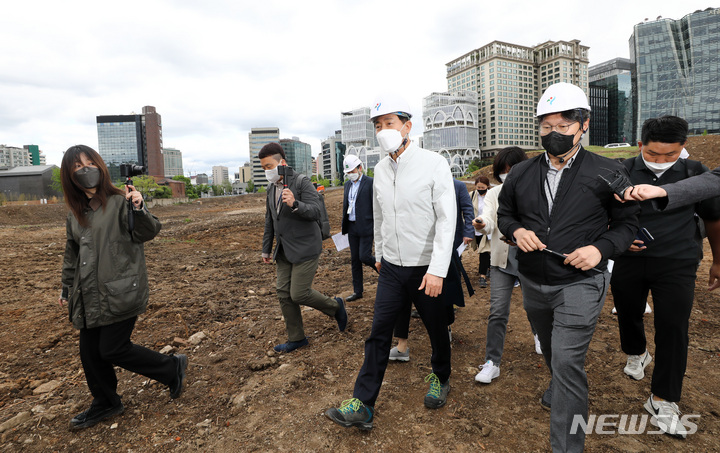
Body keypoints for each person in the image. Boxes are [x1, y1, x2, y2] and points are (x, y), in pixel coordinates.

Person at [496, 82, 639, 452]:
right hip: (532, 280)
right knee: (549, 348)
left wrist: (600, 249)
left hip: (581, 281)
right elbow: (505, 215)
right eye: (546, 127)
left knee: (566, 359)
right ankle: (558, 384)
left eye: (562, 127)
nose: (553, 135)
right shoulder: (521, 174)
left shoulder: (609, 171)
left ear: (583, 125)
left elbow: (628, 224)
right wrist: (516, 230)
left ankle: (567, 445)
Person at [325, 94, 456, 430]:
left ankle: (441, 376)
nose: (383, 130)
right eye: (378, 125)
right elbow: (380, 215)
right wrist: (380, 255)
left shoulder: (433, 163)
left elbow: (447, 219)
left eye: (389, 123)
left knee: (436, 329)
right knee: (378, 333)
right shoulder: (380, 170)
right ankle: (364, 404)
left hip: (427, 267)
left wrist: (438, 269)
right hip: (392, 268)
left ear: (407, 126)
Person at [59, 145, 187, 431]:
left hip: (120, 290)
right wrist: (66, 287)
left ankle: (171, 368)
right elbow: (72, 252)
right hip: (88, 294)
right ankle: (106, 402)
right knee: (90, 353)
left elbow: (148, 231)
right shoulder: (75, 212)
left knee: (112, 348)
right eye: (77, 166)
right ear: (69, 175)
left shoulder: (121, 201)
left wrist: (139, 208)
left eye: (89, 162)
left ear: (101, 166)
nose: (85, 169)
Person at [610, 116, 720, 438]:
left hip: (678, 261)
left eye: (669, 155)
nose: (660, 162)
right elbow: (600, 214)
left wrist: (717, 260)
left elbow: (713, 218)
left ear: (682, 147)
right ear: (640, 145)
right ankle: (638, 353)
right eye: (653, 154)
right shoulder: (621, 170)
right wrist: (617, 238)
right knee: (628, 312)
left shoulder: (696, 173)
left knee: (673, 327)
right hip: (629, 259)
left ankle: (663, 399)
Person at [260, 142, 347, 353]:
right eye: (263, 168)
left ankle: (335, 307)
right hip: (283, 250)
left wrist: (295, 204)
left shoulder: (301, 182)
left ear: (283, 163)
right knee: (283, 293)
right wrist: (266, 248)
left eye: (269, 166)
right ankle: (297, 338)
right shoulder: (271, 189)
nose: (267, 171)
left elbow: (316, 210)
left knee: (298, 293)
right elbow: (270, 221)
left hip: (305, 247)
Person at [473, 146, 542, 385]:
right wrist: (482, 224)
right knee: (498, 311)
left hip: (530, 259)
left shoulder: (536, 189)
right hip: (502, 261)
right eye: (503, 171)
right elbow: (490, 219)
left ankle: (539, 335)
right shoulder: (494, 194)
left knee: (534, 306)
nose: (507, 174)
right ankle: (492, 362)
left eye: (512, 169)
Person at [388, 177, 474, 362]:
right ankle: (402, 345)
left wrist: (468, 232)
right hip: (416, 246)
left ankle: (446, 325)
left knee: (445, 287)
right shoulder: (420, 185)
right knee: (403, 294)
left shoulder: (457, 186)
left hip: (446, 245)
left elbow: (467, 209)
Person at [341, 154, 375, 302]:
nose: (350, 175)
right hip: (352, 226)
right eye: (348, 173)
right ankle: (358, 291)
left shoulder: (370, 183)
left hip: (367, 226)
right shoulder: (347, 185)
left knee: (364, 256)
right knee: (355, 260)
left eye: (352, 171)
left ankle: (387, 274)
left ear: (360, 168)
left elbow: (376, 206)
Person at [469, 175, 492, 287]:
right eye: (478, 187)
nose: (481, 189)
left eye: (483, 187)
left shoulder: (492, 196)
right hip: (475, 228)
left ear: (487, 186)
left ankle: (482, 276)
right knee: (482, 249)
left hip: (487, 228)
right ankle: (488, 267)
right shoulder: (472, 195)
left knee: (484, 251)